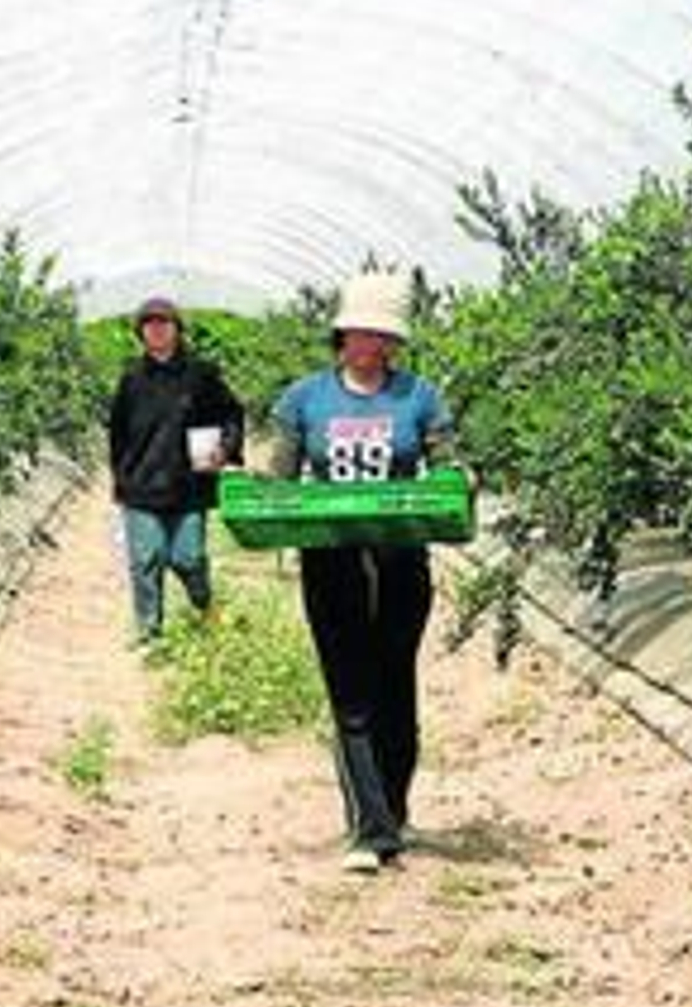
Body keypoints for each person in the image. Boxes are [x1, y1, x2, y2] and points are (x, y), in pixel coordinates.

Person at [269, 270, 455, 875]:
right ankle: (370, 830)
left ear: (393, 342)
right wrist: (247, 491)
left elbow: (445, 469)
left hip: (401, 560)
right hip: (331, 559)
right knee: (349, 689)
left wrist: (460, 482)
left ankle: (393, 809)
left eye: (381, 334)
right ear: (341, 334)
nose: (368, 343)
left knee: (394, 684)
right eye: (359, 332)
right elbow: (282, 481)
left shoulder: (420, 397)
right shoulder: (305, 400)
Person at [108, 295, 245, 644]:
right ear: (141, 332)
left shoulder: (201, 374)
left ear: (177, 329)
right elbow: (117, 432)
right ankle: (149, 632)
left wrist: (225, 450)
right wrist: (121, 478)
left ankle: (204, 606)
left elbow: (231, 414)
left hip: (190, 486)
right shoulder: (131, 378)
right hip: (141, 485)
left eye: (163, 322)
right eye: (149, 323)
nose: (156, 329)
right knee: (147, 558)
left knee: (189, 558)